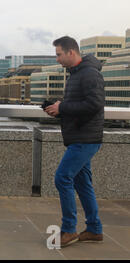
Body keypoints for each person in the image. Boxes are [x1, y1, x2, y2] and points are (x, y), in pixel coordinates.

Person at [44, 36, 104, 248]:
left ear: (71, 52)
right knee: (82, 183)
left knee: (62, 177)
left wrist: (63, 107)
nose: (57, 59)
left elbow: (94, 105)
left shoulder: (89, 74)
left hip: (85, 138)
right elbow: (78, 107)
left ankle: (69, 230)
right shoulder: (77, 75)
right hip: (81, 136)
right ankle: (95, 229)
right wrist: (58, 110)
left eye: (59, 54)